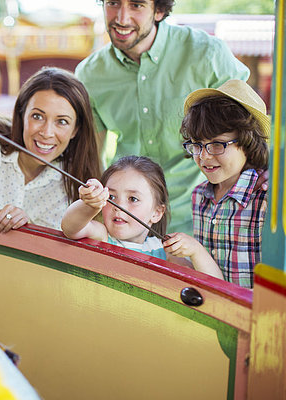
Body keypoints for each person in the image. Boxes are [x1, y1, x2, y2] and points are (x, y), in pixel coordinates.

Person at [74, 0, 250, 235]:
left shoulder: (207, 53)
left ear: (159, 10)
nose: (122, 18)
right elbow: (91, 156)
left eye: (136, 5)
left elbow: (249, 129)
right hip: (130, 225)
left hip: (206, 218)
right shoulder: (89, 74)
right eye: (113, 3)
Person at [0, 67, 101, 236]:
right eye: (37, 116)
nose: (47, 132)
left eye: (62, 122)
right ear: (22, 115)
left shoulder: (71, 182)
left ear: (75, 130)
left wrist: (27, 225)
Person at [162, 80, 270, 288]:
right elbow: (209, 269)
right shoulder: (199, 195)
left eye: (217, 144)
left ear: (249, 142)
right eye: (197, 145)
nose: (204, 156)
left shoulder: (265, 198)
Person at [61, 155, 224, 279]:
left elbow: (214, 285)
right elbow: (70, 227)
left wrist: (197, 251)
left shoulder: (163, 252)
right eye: (111, 197)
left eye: (133, 199)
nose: (120, 207)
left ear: (157, 213)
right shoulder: (101, 236)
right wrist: (89, 204)